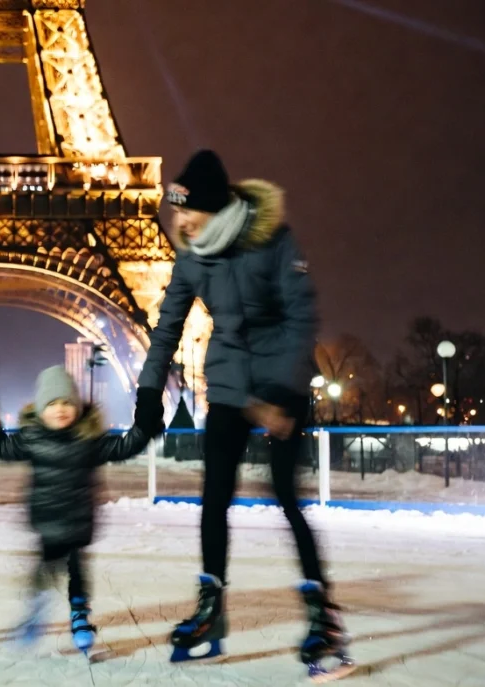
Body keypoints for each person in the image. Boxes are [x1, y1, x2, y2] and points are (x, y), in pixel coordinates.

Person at [134, 150, 353, 679]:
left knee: (284, 493)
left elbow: (301, 315)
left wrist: (279, 393)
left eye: (185, 212)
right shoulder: (190, 257)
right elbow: (167, 326)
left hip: (282, 376)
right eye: (173, 213)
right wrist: (147, 390)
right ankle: (211, 605)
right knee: (214, 494)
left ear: (211, 208)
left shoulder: (272, 239)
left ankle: (322, 614)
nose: (177, 222)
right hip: (230, 378)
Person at [0, 366, 161, 656]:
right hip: (47, 520)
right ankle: (37, 608)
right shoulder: (32, 438)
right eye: (51, 404)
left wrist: (147, 424)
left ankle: (79, 615)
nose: (60, 410)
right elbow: (1, 448)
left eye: (66, 403)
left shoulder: (90, 440)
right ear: (40, 410)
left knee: (77, 569)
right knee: (43, 568)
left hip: (77, 520)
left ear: (77, 407)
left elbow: (125, 446)